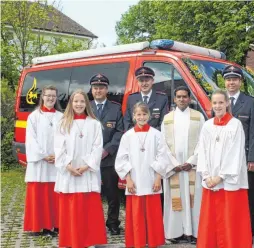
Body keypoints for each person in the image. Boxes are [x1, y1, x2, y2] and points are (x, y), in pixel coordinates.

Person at [196, 89, 252, 248]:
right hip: (211, 181)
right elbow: (202, 151)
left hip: (228, 182)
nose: (218, 106)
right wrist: (206, 176)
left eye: (221, 102)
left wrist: (220, 177)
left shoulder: (236, 125)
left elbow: (235, 153)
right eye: (215, 103)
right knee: (212, 219)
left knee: (230, 218)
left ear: (227, 103)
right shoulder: (207, 126)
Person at [54, 89, 107, 248]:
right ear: (71, 103)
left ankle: (88, 240)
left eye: (82, 101)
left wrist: (86, 166)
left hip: (87, 172)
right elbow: (58, 148)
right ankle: (71, 240)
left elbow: (98, 147)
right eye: (75, 101)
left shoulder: (94, 123)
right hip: (69, 173)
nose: (78, 104)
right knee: (71, 209)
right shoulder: (63, 123)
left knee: (87, 208)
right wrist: (68, 166)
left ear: (87, 104)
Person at [115, 102, 170, 248]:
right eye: (138, 114)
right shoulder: (127, 136)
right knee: (136, 214)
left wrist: (158, 177)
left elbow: (163, 156)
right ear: (134, 116)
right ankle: (137, 241)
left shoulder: (156, 134)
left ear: (149, 116)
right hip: (134, 179)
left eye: (144, 114)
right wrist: (128, 180)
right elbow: (122, 159)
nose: (141, 117)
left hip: (152, 179)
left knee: (152, 213)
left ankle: (153, 241)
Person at [161, 86, 205, 244]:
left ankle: (194, 232)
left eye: (184, 97)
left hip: (191, 167)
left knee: (194, 200)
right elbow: (163, 144)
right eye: (178, 97)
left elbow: (202, 142)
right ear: (174, 99)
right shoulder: (167, 119)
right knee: (176, 200)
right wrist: (174, 164)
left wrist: (191, 161)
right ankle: (175, 232)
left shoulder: (198, 117)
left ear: (189, 99)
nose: (181, 99)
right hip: (174, 169)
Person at [222, 65, 254, 235]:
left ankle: (247, 232)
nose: (231, 82)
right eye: (228, 79)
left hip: (244, 157)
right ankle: (228, 231)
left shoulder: (250, 101)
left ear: (240, 81)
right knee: (226, 196)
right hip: (223, 158)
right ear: (224, 82)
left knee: (245, 196)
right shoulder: (218, 100)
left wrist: (253, 158)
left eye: (235, 79)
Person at [24, 85, 63, 237]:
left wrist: (58, 154)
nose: (50, 98)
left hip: (55, 162)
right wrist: (43, 155)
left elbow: (65, 138)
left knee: (55, 194)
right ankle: (40, 225)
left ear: (56, 98)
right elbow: (30, 140)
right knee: (40, 195)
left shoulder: (61, 116)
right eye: (48, 95)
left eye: (53, 96)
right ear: (42, 97)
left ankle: (57, 224)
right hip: (40, 163)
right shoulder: (34, 116)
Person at [90, 73, 124, 235]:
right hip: (89, 159)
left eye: (101, 87)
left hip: (109, 158)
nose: (98, 90)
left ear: (106, 89)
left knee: (112, 194)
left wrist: (107, 150)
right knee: (91, 193)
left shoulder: (115, 108)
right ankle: (92, 223)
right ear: (92, 89)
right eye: (95, 88)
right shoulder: (86, 107)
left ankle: (112, 222)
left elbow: (119, 132)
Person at [123, 66, 169, 131]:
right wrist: (135, 134)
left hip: (155, 137)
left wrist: (151, 134)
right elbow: (127, 121)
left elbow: (164, 122)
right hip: (136, 137)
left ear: (152, 81)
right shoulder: (131, 98)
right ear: (137, 82)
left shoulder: (162, 98)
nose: (144, 84)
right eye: (141, 81)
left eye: (147, 80)